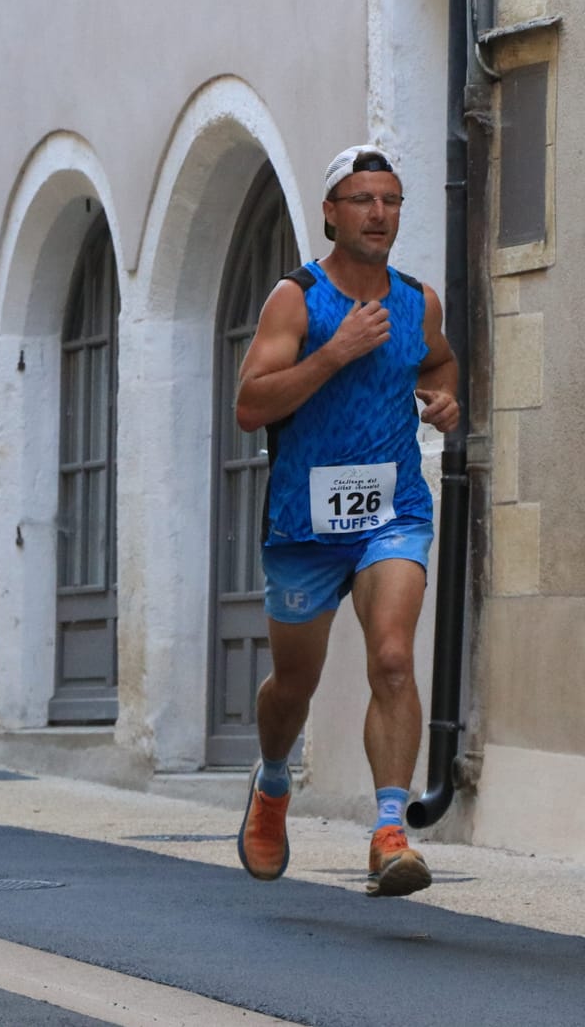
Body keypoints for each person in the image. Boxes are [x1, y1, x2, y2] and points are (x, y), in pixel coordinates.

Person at [232, 143, 459, 898]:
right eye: (362, 199)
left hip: (391, 509)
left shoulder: (416, 299)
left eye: (391, 200)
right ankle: (270, 783)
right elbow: (249, 406)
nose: (378, 213)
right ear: (331, 211)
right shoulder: (295, 300)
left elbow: (436, 361)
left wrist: (446, 397)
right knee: (293, 686)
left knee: (393, 657)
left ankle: (390, 831)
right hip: (304, 521)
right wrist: (334, 353)